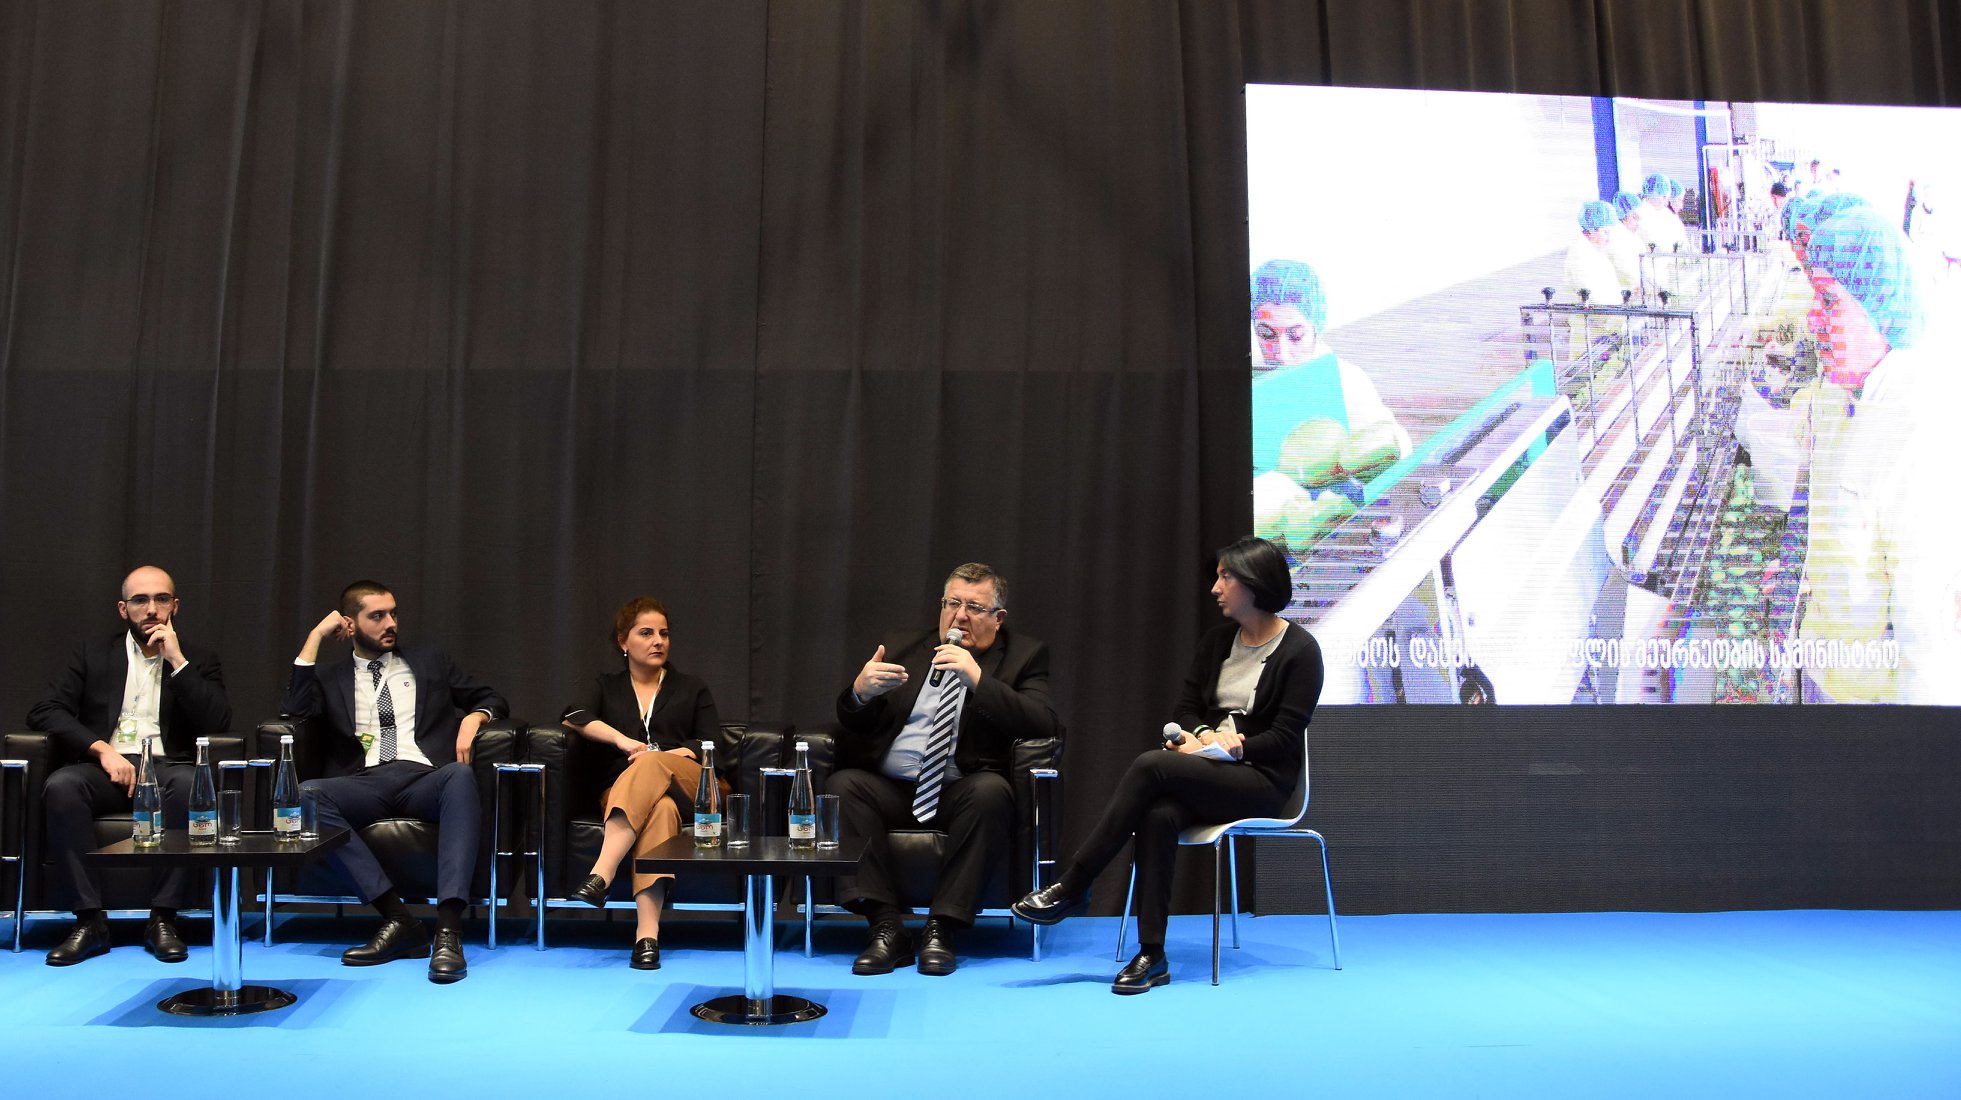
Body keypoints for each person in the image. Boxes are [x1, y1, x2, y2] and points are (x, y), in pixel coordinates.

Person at [1013, 536, 1324, 994]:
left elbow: (1285, 738)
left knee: (1151, 767)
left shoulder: (1301, 650)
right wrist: (1200, 736)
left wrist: (1238, 748)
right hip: (1210, 772)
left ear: (1255, 582)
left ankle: (1075, 883)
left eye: (1226, 577)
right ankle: (1152, 955)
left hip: (1262, 781)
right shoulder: (1217, 642)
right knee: (1158, 813)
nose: (1215, 587)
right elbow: (1187, 708)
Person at [830, 562, 1062, 976]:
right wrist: (859, 694)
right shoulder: (902, 646)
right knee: (843, 785)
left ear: (998, 618)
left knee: (990, 792)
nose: (960, 616)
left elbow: (1044, 723)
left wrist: (978, 679)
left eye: (974, 607)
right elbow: (856, 723)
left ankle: (942, 928)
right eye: (952, 604)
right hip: (893, 788)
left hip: (961, 790)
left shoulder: (1024, 656)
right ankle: (886, 928)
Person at [282, 580, 508, 983]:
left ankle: (448, 932)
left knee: (459, 775)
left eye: (393, 614)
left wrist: (474, 718)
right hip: (364, 781)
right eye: (377, 616)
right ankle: (398, 920)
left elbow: (491, 697)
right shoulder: (332, 677)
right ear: (350, 624)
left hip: (424, 777)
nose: (391, 623)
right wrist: (315, 636)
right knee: (308, 795)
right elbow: (294, 709)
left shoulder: (428, 660)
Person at [28, 565, 232, 967]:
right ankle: (89, 921)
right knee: (62, 786)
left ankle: (164, 918)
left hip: (167, 766)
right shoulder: (92, 654)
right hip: (107, 766)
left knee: (190, 784)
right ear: (124, 609)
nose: (151, 609)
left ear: (175, 606)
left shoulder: (198, 658)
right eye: (140, 600)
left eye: (161, 599)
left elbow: (217, 722)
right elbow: (45, 710)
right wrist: (101, 749)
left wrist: (177, 661)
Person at [1797, 205, 1960, 703]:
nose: (1812, 318)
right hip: (1824, 664)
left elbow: (1928, 656)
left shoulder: (1922, 438)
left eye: (1829, 301)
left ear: (1878, 309)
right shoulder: (1842, 395)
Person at [559, 597, 722, 970]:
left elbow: (713, 744)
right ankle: (647, 937)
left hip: (692, 785)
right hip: (627, 790)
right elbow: (573, 715)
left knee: (653, 764)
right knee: (660, 809)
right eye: (646, 633)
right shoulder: (606, 685)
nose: (658, 641)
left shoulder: (691, 687)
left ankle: (602, 872)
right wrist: (622, 741)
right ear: (623, 641)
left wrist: (663, 755)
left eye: (664, 633)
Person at [1249, 259, 1412, 475]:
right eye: (1266, 334)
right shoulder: (1250, 374)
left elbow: (1398, 449)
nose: (1281, 353)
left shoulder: (1347, 381)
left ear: (1316, 328)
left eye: (1296, 336)